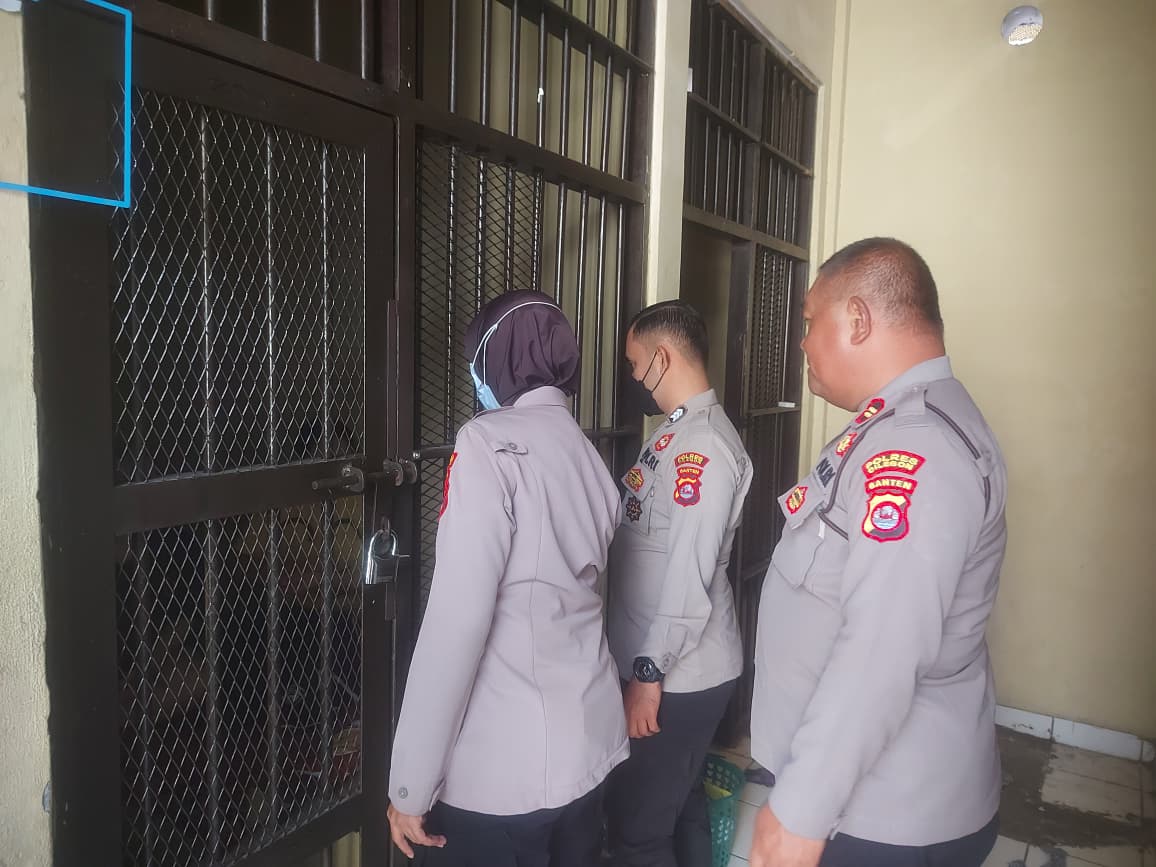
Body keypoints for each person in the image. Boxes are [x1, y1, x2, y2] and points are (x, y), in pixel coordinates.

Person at [748, 238, 1007, 867]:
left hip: (885, 819)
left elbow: (882, 649)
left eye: (810, 321)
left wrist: (801, 809)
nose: (803, 342)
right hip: (875, 804)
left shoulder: (914, 448)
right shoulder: (895, 425)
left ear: (858, 319)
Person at [386, 290, 629, 866]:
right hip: (589, 742)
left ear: (498, 360)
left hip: (505, 768)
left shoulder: (486, 444)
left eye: (476, 363)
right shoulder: (588, 453)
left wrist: (410, 786)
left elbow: (457, 624)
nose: (475, 379)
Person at [605, 300, 753, 867]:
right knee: (679, 804)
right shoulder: (675, 432)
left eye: (635, 363)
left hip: (678, 673)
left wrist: (648, 675)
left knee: (639, 829)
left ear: (662, 358)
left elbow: (689, 575)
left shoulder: (702, 447)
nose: (634, 376)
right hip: (666, 665)